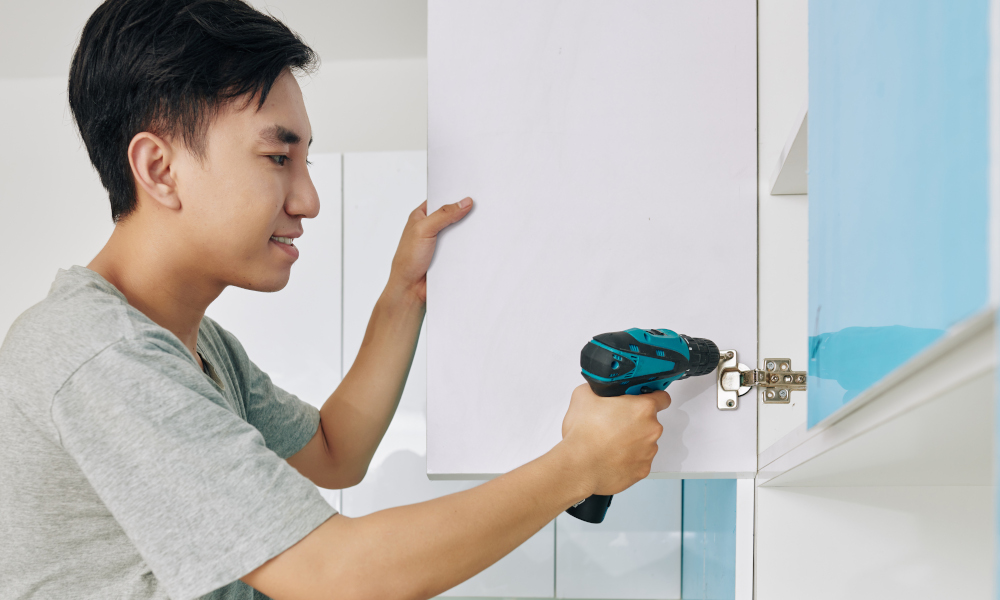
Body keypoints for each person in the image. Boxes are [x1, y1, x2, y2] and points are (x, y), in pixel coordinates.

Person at [0, 0, 670, 598]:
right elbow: (334, 577)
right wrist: (576, 466)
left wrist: (405, 292)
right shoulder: (101, 354)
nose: (308, 201)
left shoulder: (197, 348)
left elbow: (333, 449)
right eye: (276, 158)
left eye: (306, 162)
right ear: (158, 169)